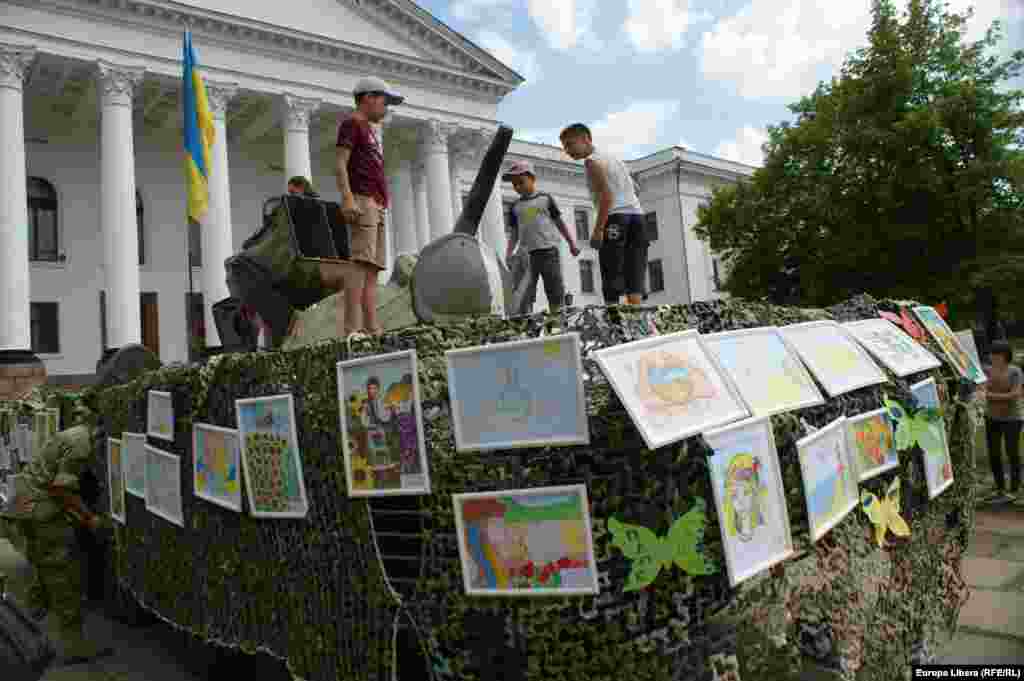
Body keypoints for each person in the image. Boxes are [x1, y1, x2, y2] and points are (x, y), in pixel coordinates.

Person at [0, 400, 115, 666]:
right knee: (63, 573)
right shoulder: (82, 445)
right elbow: (60, 489)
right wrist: (90, 519)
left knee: (41, 565)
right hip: (41, 509)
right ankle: (74, 646)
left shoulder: (73, 433)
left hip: (24, 504)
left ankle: (26, 625)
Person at [335, 76, 404, 337]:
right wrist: (348, 197)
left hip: (377, 203)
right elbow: (341, 163)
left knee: (373, 268)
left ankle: (372, 326)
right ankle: (352, 328)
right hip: (362, 198)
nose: (386, 109)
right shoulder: (352, 124)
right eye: (384, 102)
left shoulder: (370, 131)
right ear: (368, 98)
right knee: (360, 263)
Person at [559, 123, 648, 306]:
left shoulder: (591, 162)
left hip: (616, 218)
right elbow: (636, 189)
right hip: (638, 217)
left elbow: (606, 198)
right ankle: (637, 316)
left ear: (585, 139)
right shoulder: (614, 159)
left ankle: (613, 316)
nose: (567, 151)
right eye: (565, 147)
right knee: (635, 272)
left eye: (570, 144)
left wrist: (598, 230)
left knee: (611, 271)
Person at [502, 160, 580, 314]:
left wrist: (572, 243)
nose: (518, 187)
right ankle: (526, 323)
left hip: (548, 252)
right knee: (524, 292)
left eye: (521, 182)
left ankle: (558, 321)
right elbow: (514, 233)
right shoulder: (515, 206)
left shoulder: (545, 199)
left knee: (554, 289)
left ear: (532, 179)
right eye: (514, 184)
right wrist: (509, 253)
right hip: (526, 255)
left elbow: (560, 223)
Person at [984, 340, 1023, 502]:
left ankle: (1014, 489)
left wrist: (990, 396)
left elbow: (1015, 394)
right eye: (991, 354)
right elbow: (980, 387)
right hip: (991, 418)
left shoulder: (1015, 372)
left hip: (1012, 419)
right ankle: (999, 487)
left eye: (996, 354)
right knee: (994, 454)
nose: (992, 357)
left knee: (1012, 452)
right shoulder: (987, 370)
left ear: (1004, 356)